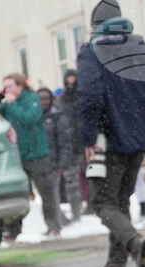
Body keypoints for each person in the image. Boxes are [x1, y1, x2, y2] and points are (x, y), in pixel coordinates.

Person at [77, 9, 145, 267]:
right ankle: (115, 266)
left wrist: (88, 137)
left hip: (108, 139)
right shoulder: (144, 48)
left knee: (103, 202)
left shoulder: (92, 51)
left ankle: (134, 243)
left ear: (95, 25)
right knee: (120, 201)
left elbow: (90, 97)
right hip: (138, 139)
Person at [0, 73, 60, 236]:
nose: (7, 89)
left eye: (10, 86)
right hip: (17, 155)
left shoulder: (32, 98)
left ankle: (54, 227)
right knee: (15, 194)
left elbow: (29, 118)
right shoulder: (8, 102)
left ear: (20, 86)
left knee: (46, 193)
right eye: (5, 87)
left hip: (37, 154)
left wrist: (13, 103)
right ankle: (13, 230)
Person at [38, 87, 72, 228]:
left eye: (46, 99)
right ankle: (60, 219)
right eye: (40, 99)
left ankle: (57, 222)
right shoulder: (35, 117)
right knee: (47, 194)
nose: (43, 102)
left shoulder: (58, 116)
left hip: (54, 162)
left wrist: (63, 162)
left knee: (53, 193)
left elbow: (64, 141)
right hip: (40, 161)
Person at [56, 69, 86, 221]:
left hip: (85, 143)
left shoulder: (83, 97)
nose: (71, 82)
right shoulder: (61, 101)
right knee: (71, 180)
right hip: (70, 145)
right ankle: (76, 212)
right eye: (68, 78)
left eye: (73, 78)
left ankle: (91, 205)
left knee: (92, 176)